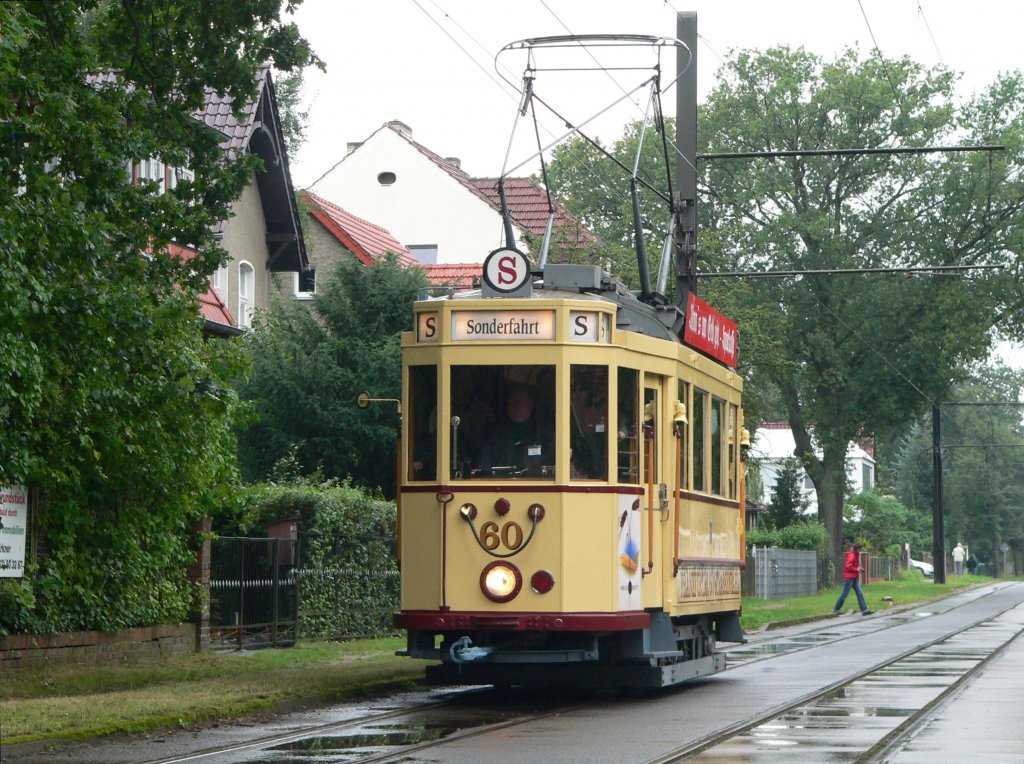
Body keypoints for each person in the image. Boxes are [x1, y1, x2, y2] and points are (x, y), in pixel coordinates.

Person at [476, 383, 554, 477]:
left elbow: (555, 466)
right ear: (507, 405)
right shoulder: (495, 436)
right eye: (513, 401)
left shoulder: (543, 435)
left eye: (521, 401)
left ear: (530, 404)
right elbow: (483, 468)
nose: (517, 405)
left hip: (535, 488)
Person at [833, 542, 873, 616]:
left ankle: (864, 610)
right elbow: (848, 566)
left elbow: (854, 565)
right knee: (845, 594)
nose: (860, 551)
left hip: (853, 577)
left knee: (859, 593)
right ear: (857, 549)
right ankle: (836, 609)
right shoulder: (851, 555)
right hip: (849, 578)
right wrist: (857, 569)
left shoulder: (855, 554)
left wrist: (859, 568)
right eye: (860, 550)